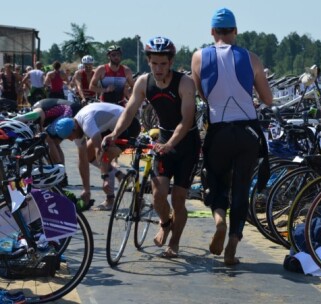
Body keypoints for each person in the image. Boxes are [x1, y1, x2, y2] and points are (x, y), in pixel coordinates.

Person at [102, 36, 200, 258]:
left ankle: (174, 242)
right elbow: (129, 111)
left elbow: (186, 120)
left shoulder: (184, 83)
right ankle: (165, 223)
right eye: (154, 63)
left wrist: (170, 144)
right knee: (158, 195)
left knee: (178, 199)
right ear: (148, 62)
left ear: (171, 62)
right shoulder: (144, 82)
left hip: (187, 144)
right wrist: (115, 133)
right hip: (163, 139)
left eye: (163, 64)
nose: (158, 68)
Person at [191, 7, 273, 265]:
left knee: (215, 180)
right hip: (248, 131)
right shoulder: (251, 58)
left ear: (212, 32)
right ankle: (234, 243)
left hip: (219, 131)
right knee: (241, 189)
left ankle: (219, 220)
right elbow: (268, 99)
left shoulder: (198, 57)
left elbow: (202, 94)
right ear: (235, 31)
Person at [54, 102, 139, 210]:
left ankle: (110, 199)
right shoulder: (75, 125)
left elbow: (99, 150)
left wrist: (105, 177)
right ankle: (118, 175)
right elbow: (82, 159)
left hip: (128, 125)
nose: (71, 140)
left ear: (74, 128)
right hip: (111, 128)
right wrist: (86, 189)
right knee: (89, 155)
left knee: (105, 155)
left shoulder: (87, 123)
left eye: (70, 136)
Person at [14, 98, 82, 165]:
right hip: (68, 109)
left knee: (51, 140)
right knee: (52, 141)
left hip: (69, 110)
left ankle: (59, 167)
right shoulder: (42, 114)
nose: (71, 140)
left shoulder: (41, 114)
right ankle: (59, 167)